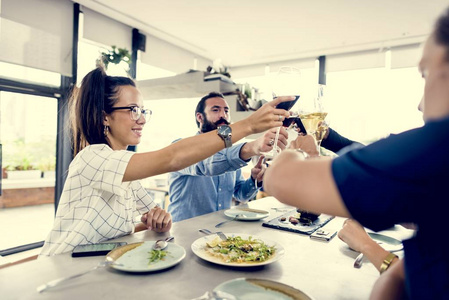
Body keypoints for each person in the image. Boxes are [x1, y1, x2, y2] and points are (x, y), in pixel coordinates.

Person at [264, 7, 449, 299]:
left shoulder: (439, 148)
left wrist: (293, 150)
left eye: (426, 73)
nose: (420, 105)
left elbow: (280, 180)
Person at [40, 68, 291, 256]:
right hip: (61, 268)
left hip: (98, 267)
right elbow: (173, 157)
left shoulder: (126, 173)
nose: (141, 120)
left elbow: (150, 220)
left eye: (142, 110)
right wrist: (248, 127)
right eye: (132, 110)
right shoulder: (92, 157)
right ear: (105, 116)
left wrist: (159, 219)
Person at [168, 92, 289, 222]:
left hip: (218, 234)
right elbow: (206, 166)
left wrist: (254, 179)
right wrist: (252, 147)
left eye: (226, 111)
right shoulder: (180, 147)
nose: (223, 115)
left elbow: (241, 195)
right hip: (183, 233)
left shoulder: (229, 152)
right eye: (215, 110)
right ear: (200, 117)